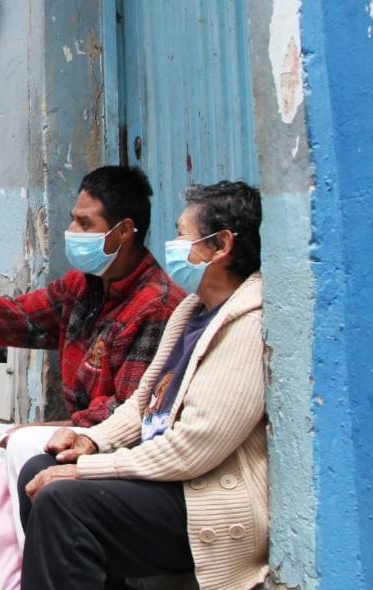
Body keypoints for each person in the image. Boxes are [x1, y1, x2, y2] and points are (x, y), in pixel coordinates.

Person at [17, 181, 266, 590]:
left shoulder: (246, 325)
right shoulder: (191, 311)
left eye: (182, 235)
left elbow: (193, 449)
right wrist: (91, 443)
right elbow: (142, 404)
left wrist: (93, 470)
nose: (172, 245)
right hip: (165, 481)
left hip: (203, 500)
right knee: (41, 469)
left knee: (64, 502)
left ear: (220, 246)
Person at [0, 166, 184, 545]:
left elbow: (128, 411)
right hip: (71, 428)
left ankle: (30, 566)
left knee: (21, 444)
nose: (72, 232)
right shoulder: (82, 285)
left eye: (85, 224)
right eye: (73, 219)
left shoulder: (157, 306)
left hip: (110, 442)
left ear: (122, 231)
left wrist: (41, 429)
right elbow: (25, 317)